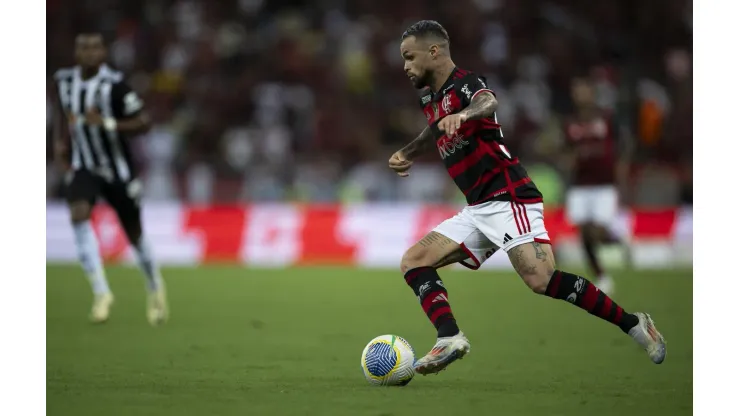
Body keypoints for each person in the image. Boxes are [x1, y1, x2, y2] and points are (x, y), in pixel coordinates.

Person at [388, 20, 665, 375]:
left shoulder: (467, 84)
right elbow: (435, 128)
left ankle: (634, 323)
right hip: (478, 207)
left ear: (434, 51)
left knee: (542, 280)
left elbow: (487, 101)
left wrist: (464, 114)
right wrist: (409, 152)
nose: (406, 67)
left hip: (509, 196)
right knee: (414, 261)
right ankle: (449, 337)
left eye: (409, 57)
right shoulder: (429, 96)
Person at [51, 32, 169, 325]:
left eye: (94, 47)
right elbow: (61, 114)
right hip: (85, 166)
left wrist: (106, 123)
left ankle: (155, 287)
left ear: (103, 52)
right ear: (76, 52)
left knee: (134, 235)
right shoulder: (64, 81)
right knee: (79, 214)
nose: (89, 53)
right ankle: (102, 293)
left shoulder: (115, 86)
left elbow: (144, 123)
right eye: (83, 48)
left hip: (118, 171)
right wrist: (59, 143)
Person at [562, 76, 632, 295]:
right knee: (584, 234)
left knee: (597, 233)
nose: (579, 95)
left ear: (592, 93)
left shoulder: (607, 118)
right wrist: (569, 160)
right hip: (580, 184)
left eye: (583, 90)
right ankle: (601, 275)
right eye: (576, 91)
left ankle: (617, 240)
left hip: (604, 184)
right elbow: (566, 151)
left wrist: (622, 171)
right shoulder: (570, 123)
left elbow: (625, 145)